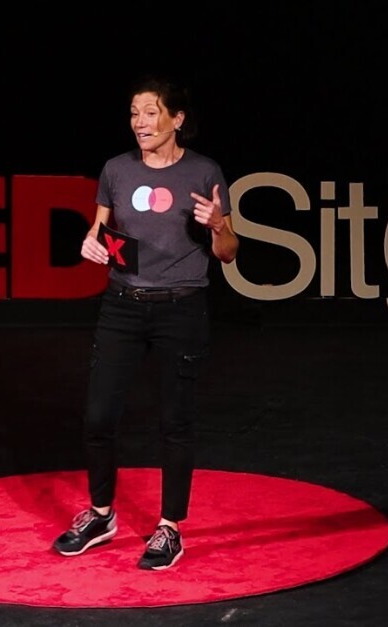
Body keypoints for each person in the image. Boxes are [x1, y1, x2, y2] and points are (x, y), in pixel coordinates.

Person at [51, 74, 239, 570]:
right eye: (135, 113)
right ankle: (101, 515)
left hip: (181, 307)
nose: (140, 122)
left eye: (151, 112)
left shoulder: (204, 171)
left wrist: (218, 226)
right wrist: (90, 244)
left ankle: (169, 527)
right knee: (98, 416)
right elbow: (100, 231)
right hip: (123, 306)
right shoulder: (116, 169)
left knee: (175, 421)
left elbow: (228, 253)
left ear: (177, 119)